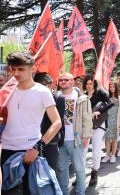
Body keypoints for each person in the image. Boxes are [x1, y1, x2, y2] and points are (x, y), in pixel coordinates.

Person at [1, 51, 62, 195]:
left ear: (32, 69)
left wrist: (37, 147)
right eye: (13, 69)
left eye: (21, 69)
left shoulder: (42, 92)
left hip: (30, 151)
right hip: (6, 152)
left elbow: (57, 122)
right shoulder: (5, 91)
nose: (16, 73)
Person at [57, 73, 93, 195]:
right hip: (59, 139)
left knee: (79, 168)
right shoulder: (54, 96)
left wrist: (86, 136)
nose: (63, 82)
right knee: (62, 169)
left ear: (72, 81)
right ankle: (63, 192)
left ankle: (80, 192)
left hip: (75, 138)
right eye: (60, 80)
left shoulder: (82, 98)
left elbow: (88, 119)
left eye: (66, 80)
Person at [33, 72, 65, 172]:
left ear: (50, 85)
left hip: (50, 142)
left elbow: (57, 122)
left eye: (42, 86)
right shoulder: (32, 96)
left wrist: (41, 143)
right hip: (32, 141)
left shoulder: (58, 97)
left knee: (49, 174)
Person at [82, 75, 110, 186]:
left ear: (94, 84)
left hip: (98, 125)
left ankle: (94, 172)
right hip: (85, 126)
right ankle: (81, 174)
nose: (89, 86)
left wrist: (99, 111)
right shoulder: (83, 95)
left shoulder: (100, 93)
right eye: (87, 83)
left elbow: (111, 103)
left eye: (91, 83)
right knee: (83, 151)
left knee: (96, 149)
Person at [102, 80, 120, 164]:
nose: (111, 88)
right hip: (107, 120)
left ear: (116, 87)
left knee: (115, 138)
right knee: (107, 138)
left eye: (113, 86)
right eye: (110, 87)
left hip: (116, 120)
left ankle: (113, 155)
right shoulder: (106, 97)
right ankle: (107, 155)